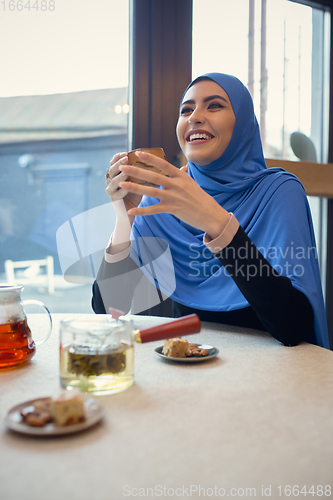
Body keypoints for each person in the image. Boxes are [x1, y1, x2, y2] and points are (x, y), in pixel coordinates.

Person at [92, 72, 329, 349]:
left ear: (242, 124)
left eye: (214, 105)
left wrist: (218, 224)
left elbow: (292, 327)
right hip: (190, 374)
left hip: (268, 379)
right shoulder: (166, 197)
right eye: (186, 110)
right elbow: (110, 308)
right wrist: (126, 217)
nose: (194, 117)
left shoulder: (279, 191)